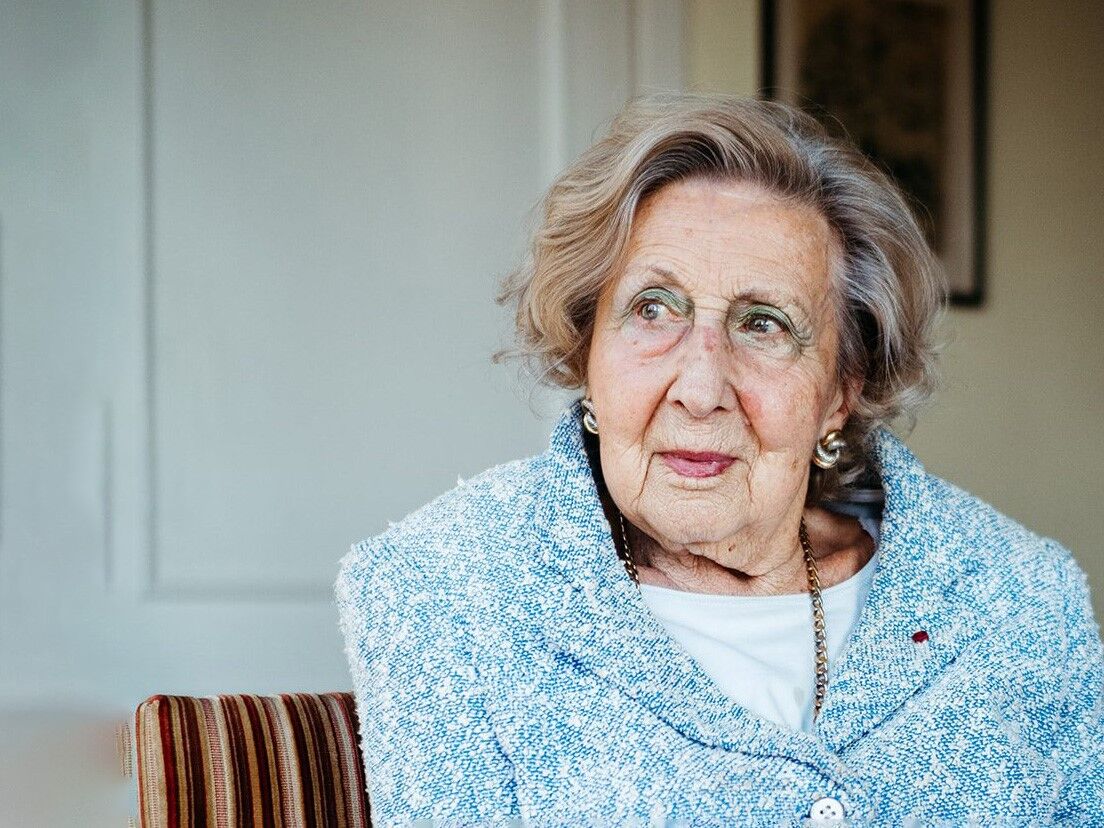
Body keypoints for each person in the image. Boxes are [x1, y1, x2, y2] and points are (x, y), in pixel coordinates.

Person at [335, 93, 1103, 826]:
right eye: (652, 309)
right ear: (587, 352)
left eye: (764, 324)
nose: (701, 390)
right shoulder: (448, 590)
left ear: (840, 392)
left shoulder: (1017, 597)